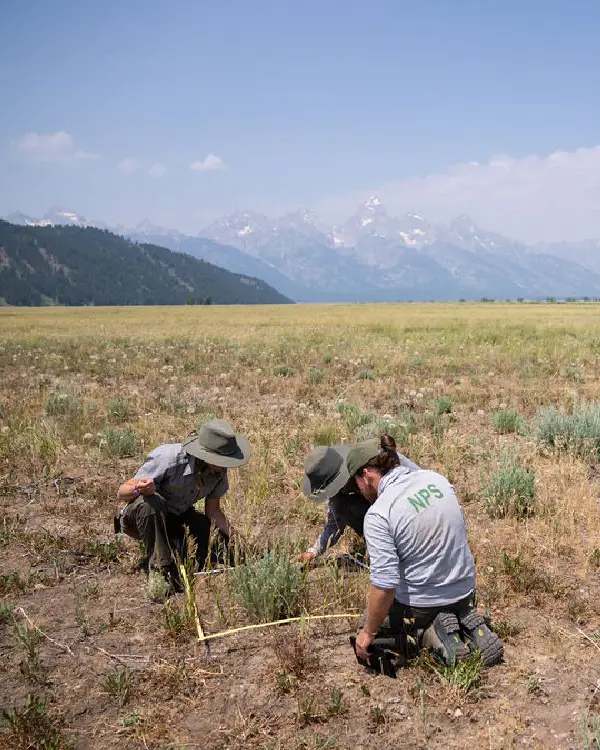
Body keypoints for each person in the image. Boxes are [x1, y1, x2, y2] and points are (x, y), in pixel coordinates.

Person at [347, 435, 503, 668]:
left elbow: (384, 586)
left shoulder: (379, 513)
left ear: (367, 474)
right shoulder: (436, 479)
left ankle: (430, 634)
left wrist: (368, 632)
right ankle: (464, 620)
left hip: (425, 602)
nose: (359, 491)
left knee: (367, 632)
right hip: (464, 589)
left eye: (357, 483)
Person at [116, 419, 251, 596]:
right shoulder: (168, 458)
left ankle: (176, 545)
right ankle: (160, 570)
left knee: (208, 530)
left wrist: (239, 542)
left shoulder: (218, 471)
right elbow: (121, 492)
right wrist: (138, 488)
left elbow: (214, 512)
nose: (227, 464)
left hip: (177, 517)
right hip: (140, 519)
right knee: (152, 502)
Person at [297, 443, 420, 565]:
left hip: (413, 509)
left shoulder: (375, 459)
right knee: (342, 505)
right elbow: (334, 524)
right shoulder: (340, 494)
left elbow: (419, 478)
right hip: (384, 518)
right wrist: (313, 551)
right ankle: (382, 547)